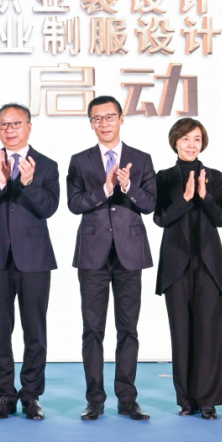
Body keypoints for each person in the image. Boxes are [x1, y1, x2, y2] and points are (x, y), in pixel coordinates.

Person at [66, 96, 155, 421]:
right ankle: (95, 399)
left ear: (121, 119)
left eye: (110, 117)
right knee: (92, 330)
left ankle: (127, 399)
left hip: (130, 253)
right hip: (93, 254)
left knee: (128, 329)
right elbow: (74, 204)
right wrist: (104, 190)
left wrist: (128, 187)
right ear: (91, 123)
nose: (104, 123)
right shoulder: (80, 161)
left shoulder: (141, 159)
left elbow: (150, 204)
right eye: (97, 118)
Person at [0, 103, 60, 420]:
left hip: (35, 259)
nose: (9, 129)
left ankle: (31, 395)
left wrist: (29, 184)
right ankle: (5, 395)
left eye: (16, 123)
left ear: (29, 127)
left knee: (35, 331)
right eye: (3, 124)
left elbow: (49, 208)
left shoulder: (46, 165)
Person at [154, 118, 222, 420]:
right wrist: (185, 198)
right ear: (175, 141)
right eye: (185, 139)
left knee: (209, 333)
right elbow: (160, 218)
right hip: (176, 264)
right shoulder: (163, 177)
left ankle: (208, 400)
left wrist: (204, 197)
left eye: (197, 139)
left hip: (209, 263)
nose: (191, 144)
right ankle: (186, 400)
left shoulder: (215, 176)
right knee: (181, 333)